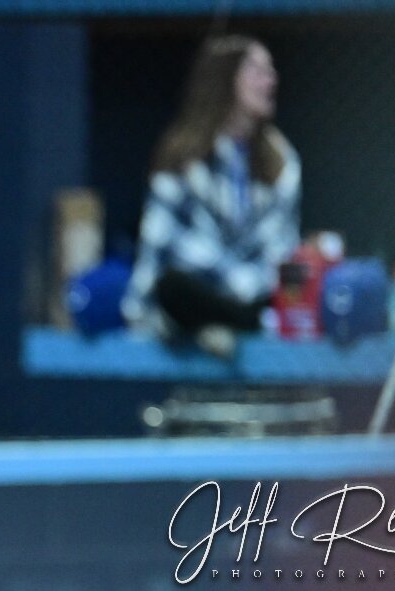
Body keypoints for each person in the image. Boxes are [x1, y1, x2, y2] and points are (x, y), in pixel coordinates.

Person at [123, 35, 301, 359]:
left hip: (255, 294)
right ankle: (224, 321)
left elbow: (282, 249)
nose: (270, 80)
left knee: (293, 284)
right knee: (173, 287)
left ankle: (224, 322)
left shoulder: (282, 159)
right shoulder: (180, 153)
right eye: (257, 70)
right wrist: (232, 281)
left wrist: (252, 286)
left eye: (271, 71)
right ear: (225, 78)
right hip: (198, 289)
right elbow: (163, 241)